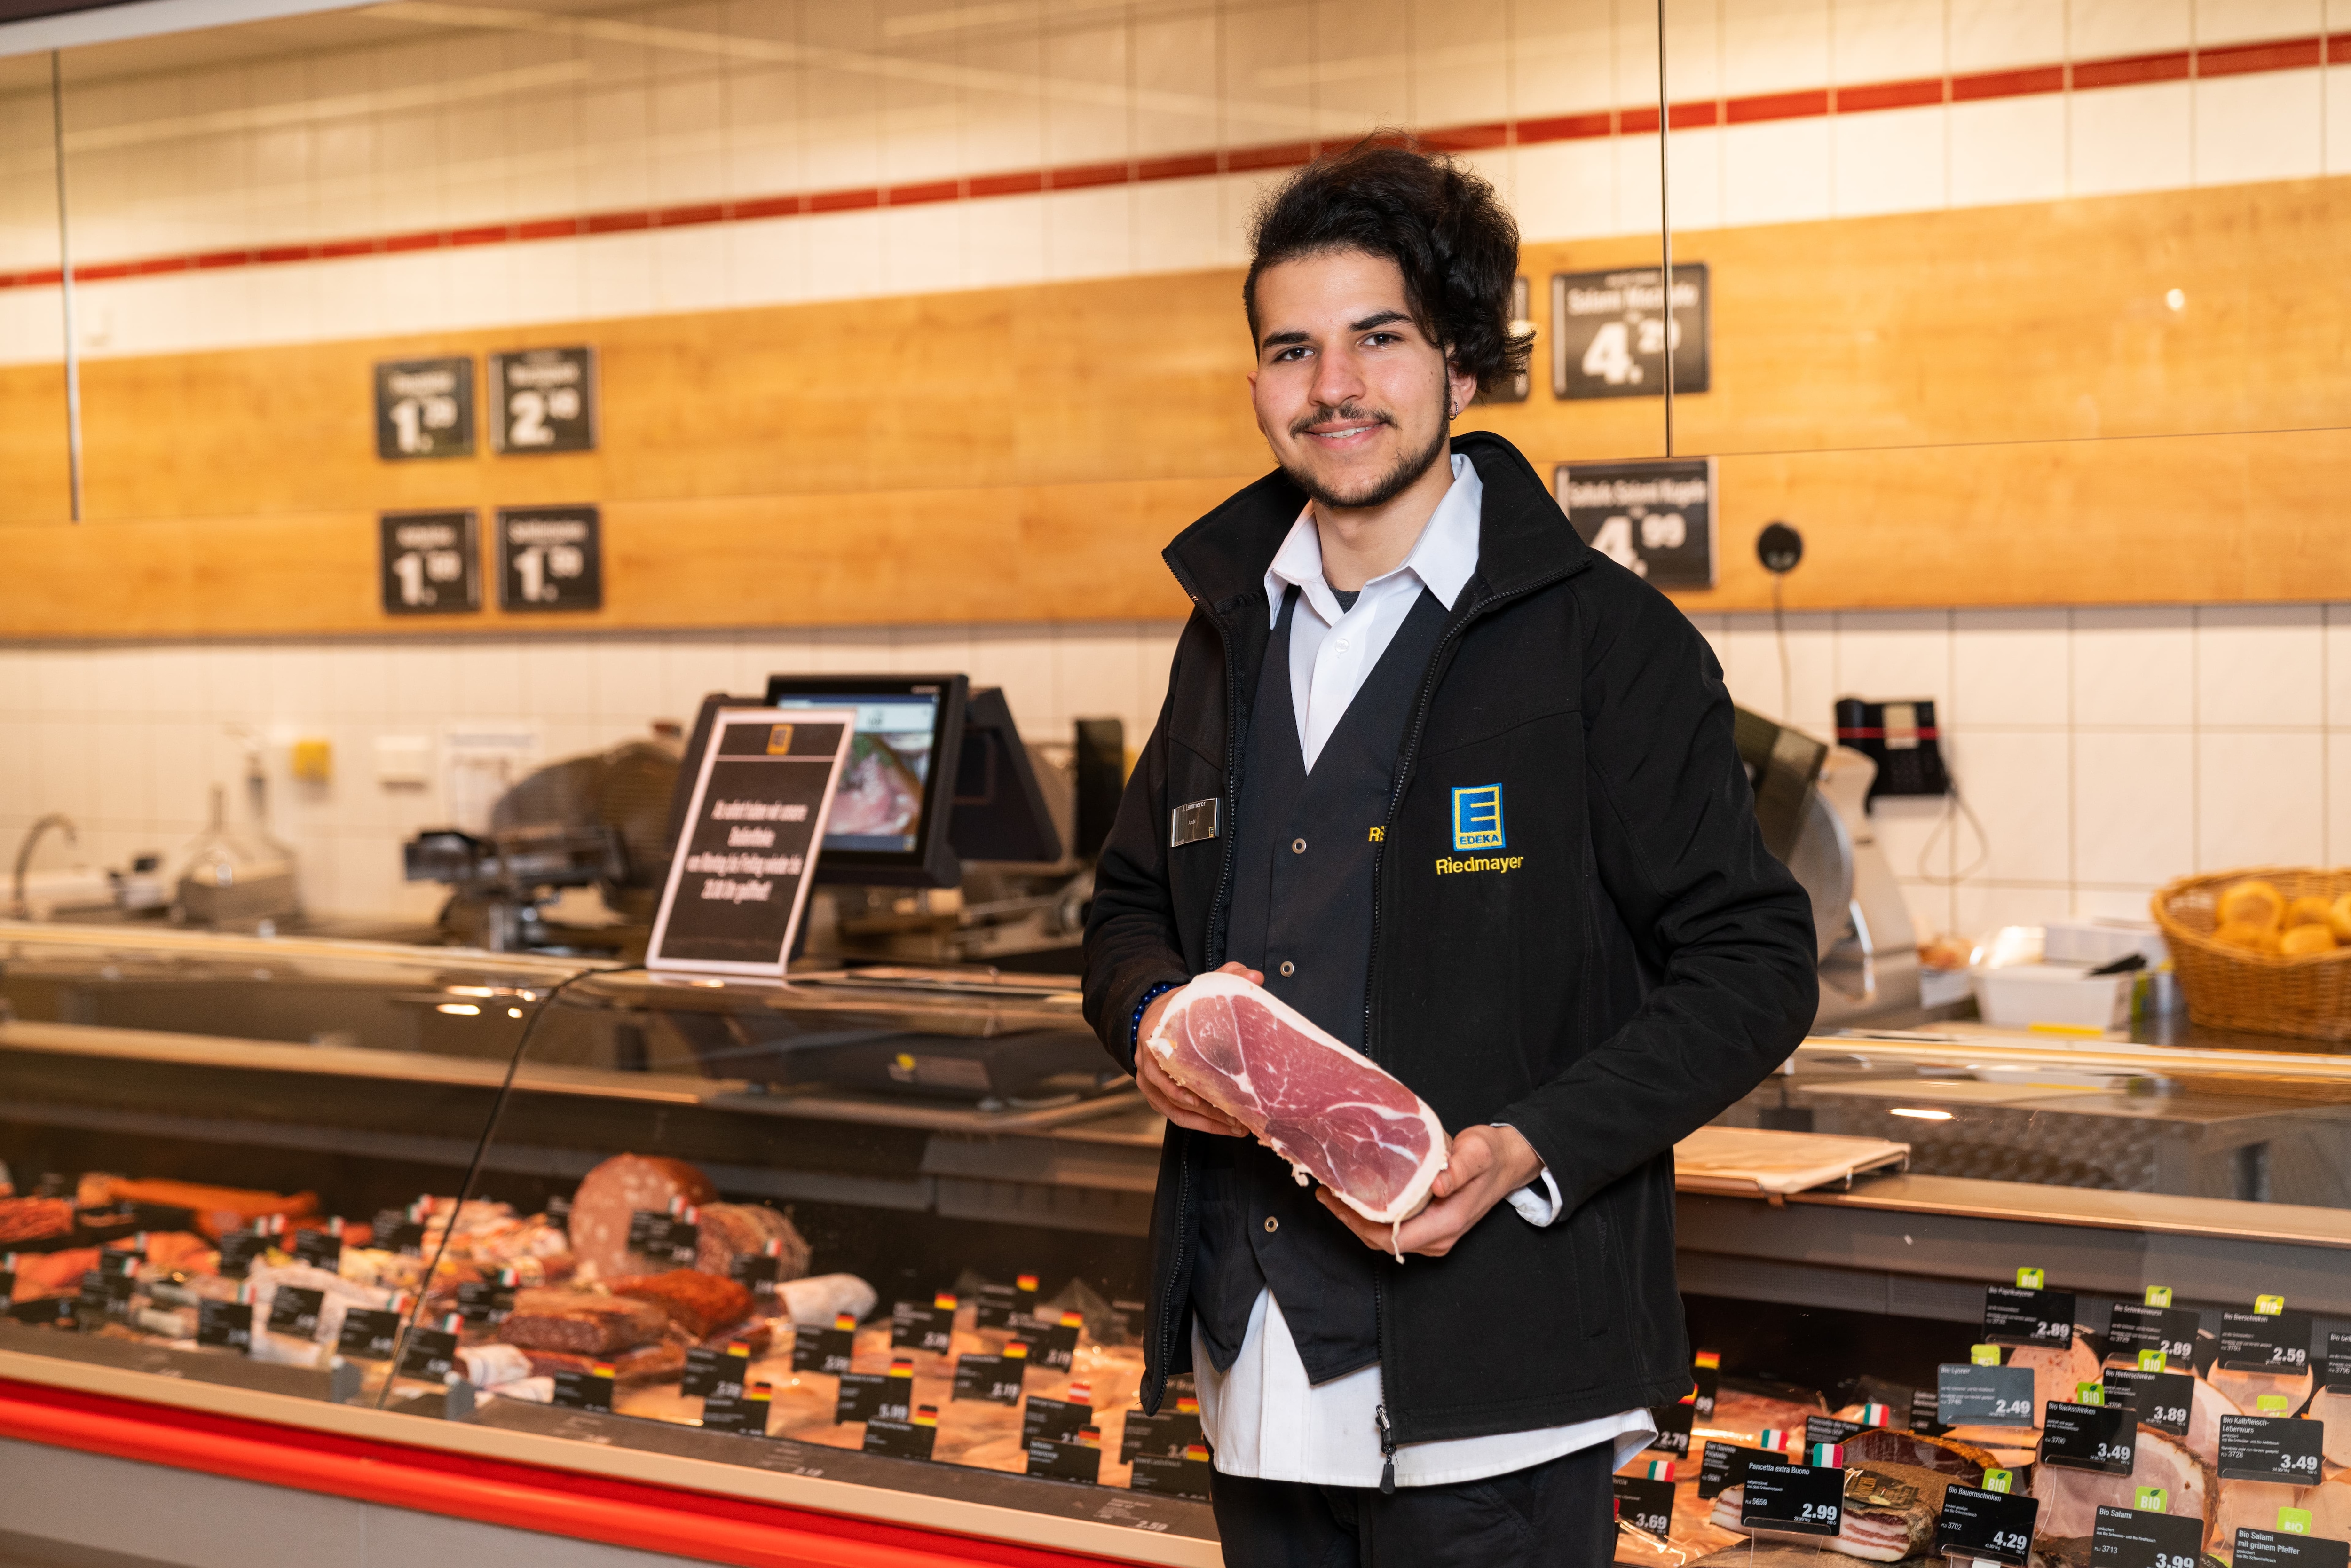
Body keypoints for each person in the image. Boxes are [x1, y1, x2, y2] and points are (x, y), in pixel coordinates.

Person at [1080, 137, 1819, 1567]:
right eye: (1292, 349)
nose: (1334, 386)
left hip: (1495, 1397)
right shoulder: (1226, 633)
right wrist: (1148, 1017)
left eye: (1380, 339)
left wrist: (1536, 1143)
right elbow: (1120, 912)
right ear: (1256, 386)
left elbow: (1755, 962)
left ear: (1464, 367)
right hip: (1253, 1377)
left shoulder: (1607, 642)